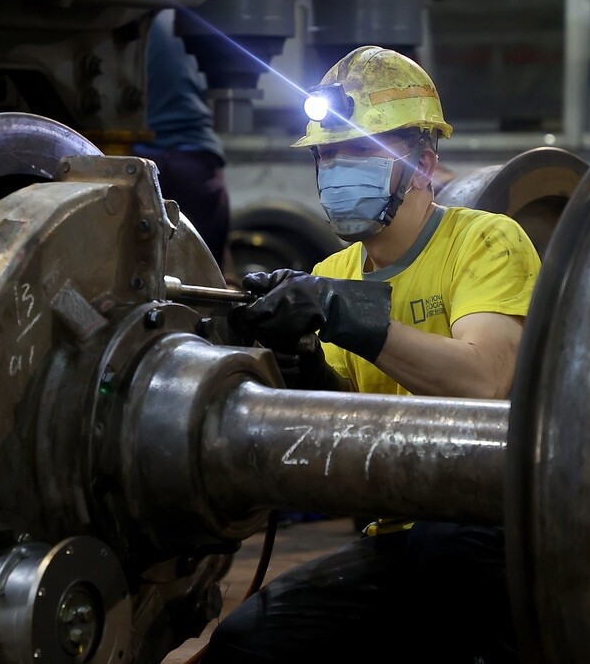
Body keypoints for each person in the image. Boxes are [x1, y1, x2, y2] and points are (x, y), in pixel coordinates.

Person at [203, 46, 541, 663]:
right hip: (396, 535)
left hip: (493, 526)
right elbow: (350, 434)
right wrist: (301, 365)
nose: (336, 168)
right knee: (247, 644)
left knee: (447, 564)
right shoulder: (335, 269)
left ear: (422, 164)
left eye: (358, 151)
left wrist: (342, 314)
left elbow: (484, 382)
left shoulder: (485, 241)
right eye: (326, 155)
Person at [135, 9, 230, 267]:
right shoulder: (184, 18)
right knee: (204, 271)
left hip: (143, 160)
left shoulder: (129, 20)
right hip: (197, 159)